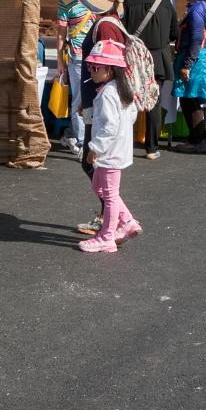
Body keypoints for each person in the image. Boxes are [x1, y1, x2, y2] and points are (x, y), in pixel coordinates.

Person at [70, 0, 130, 236]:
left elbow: (104, 66)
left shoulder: (105, 25)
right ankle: (112, 217)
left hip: (102, 100)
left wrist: (90, 100)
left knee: (95, 162)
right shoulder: (111, 20)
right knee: (98, 166)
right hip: (100, 97)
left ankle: (114, 219)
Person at [77, 40, 142, 254]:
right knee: (100, 188)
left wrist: (94, 148)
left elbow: (109, 127)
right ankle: (128, 221)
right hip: (117, 149)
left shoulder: (107, 94)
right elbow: (130, 116)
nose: (92, 71)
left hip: (109, 152)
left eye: (96, 67)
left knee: (110, 194)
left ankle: (106, 237)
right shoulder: (121, 89)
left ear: (110, 70)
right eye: (90, 66)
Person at [123, 0, 176, 159]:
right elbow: (174, 33)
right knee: (154, 101)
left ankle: (124, 143)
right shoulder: (165, 3)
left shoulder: (128, 2)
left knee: (128, 99)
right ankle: (152, 148)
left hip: (133, 56)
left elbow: (123, 30)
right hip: (158, 58)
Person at [171, 0, 206, 154]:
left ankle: (199, 140)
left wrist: (187, 64)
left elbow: (198, 38)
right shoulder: (201, 6)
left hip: (196, 59)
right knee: (190, 99)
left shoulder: (197, 9)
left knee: (190, 99)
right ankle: (198, 138)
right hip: (199, 57)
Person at [55, 0, 97, 157]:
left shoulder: (67, 1)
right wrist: (61, 61)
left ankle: (80, 139)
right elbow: (61, 34)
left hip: (88, 58)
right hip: (89, 58)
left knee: (86, 99)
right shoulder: (97, 1)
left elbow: (61, 34)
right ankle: (84, 140)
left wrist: (60, 61)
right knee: (89, 99)